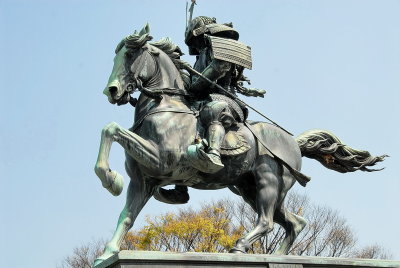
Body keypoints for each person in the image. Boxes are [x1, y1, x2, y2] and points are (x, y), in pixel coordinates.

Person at [185, 15, 265, 173]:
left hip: (225, 100)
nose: (195, 44)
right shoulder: (199, 59)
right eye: (193, 42)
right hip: (202, 99)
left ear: (203, 34)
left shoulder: (221, 47)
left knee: (214, 110)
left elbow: (219, 68)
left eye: (196, 39)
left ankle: (214, 153)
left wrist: (194, 87)